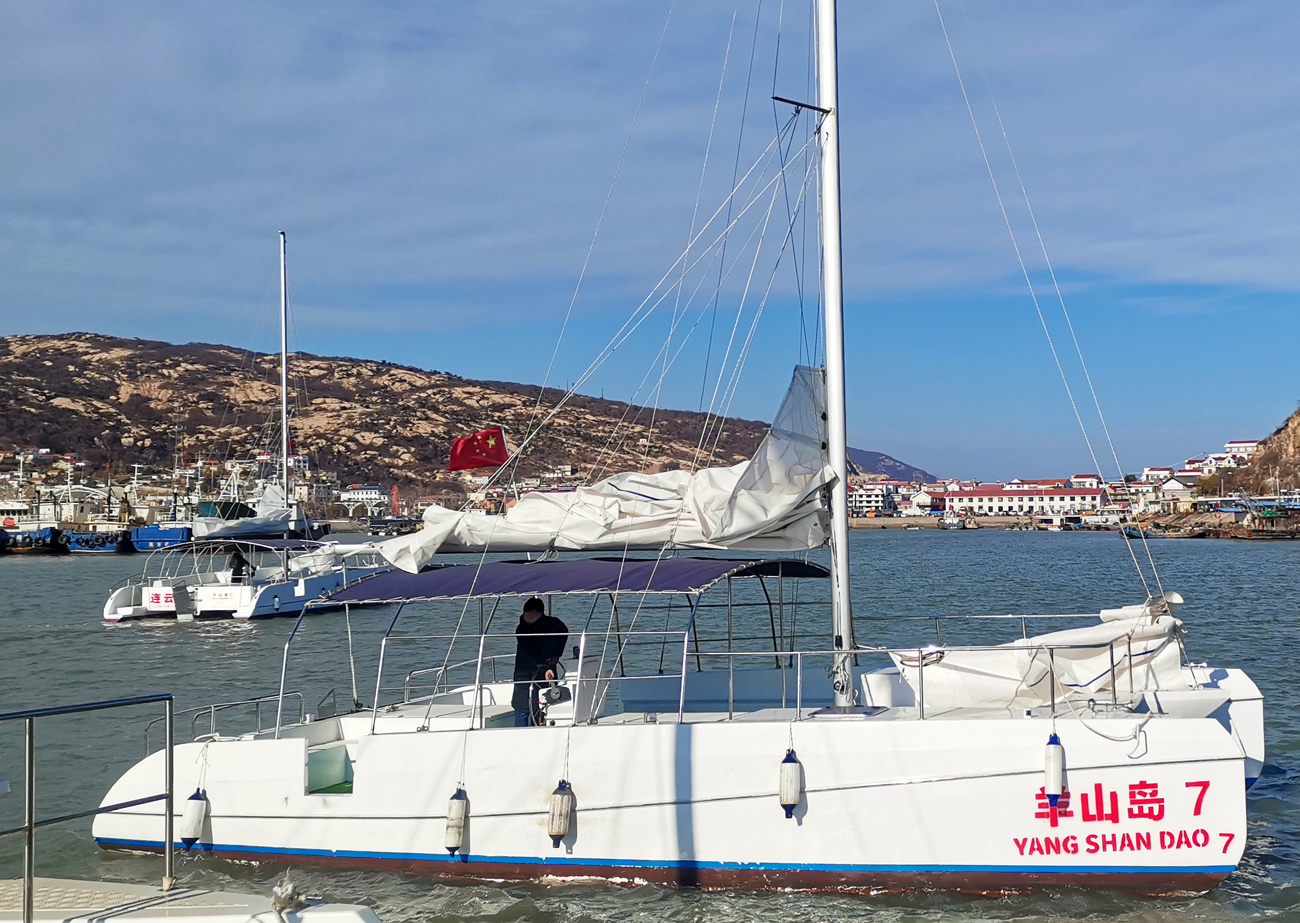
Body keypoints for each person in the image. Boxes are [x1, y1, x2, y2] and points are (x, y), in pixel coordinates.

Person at [511, 597, 568, 727]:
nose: (528, 618)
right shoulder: (522, 629)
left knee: (543, 705)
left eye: (531, 615)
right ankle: (520, 733)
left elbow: (564, 633)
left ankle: (540, 729)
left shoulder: (553, 624)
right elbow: (528, 652)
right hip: (524, 671)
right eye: (526, 615)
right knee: (522, 706)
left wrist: (556, 655)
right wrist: (545, 666)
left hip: (546, 671)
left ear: (540, 614)